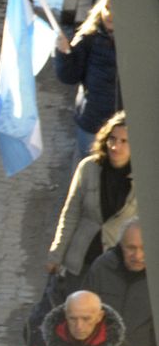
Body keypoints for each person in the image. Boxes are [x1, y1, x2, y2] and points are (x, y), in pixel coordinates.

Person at [49, 112, 134, 279]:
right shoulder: (88, 167)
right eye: (112, 139)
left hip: (117, 268)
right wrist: (56, 255)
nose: (116, 147)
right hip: (81, 259)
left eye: (124, 141)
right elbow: (70, 214)